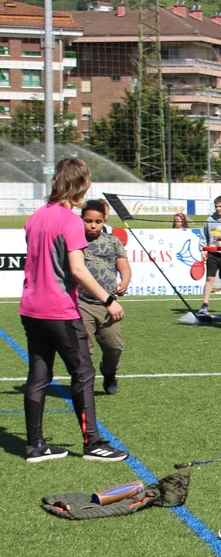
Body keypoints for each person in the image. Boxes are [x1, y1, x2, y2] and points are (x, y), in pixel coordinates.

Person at [19, 157, 128, 462]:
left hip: (30, 308)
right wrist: (108, 300)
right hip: (59, 309)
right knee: (83, 372)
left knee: (38, 375)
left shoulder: (36, 217)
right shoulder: (69, 221)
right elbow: (78, 270)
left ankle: (35, 446)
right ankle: (93, 443)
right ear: (80, 185)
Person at [78, 199, 130, 396]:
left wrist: (125, 281)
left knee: (114, 347)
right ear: (81, 219)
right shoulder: (75, 241)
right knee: (84, 349)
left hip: (108, 305)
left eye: (97, 222)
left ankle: (109, 373)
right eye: (88, 221)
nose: (93, 225)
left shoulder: (113, 241)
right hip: (81, 303)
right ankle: (84, 384)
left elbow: (124, 266)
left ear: (104, 221)